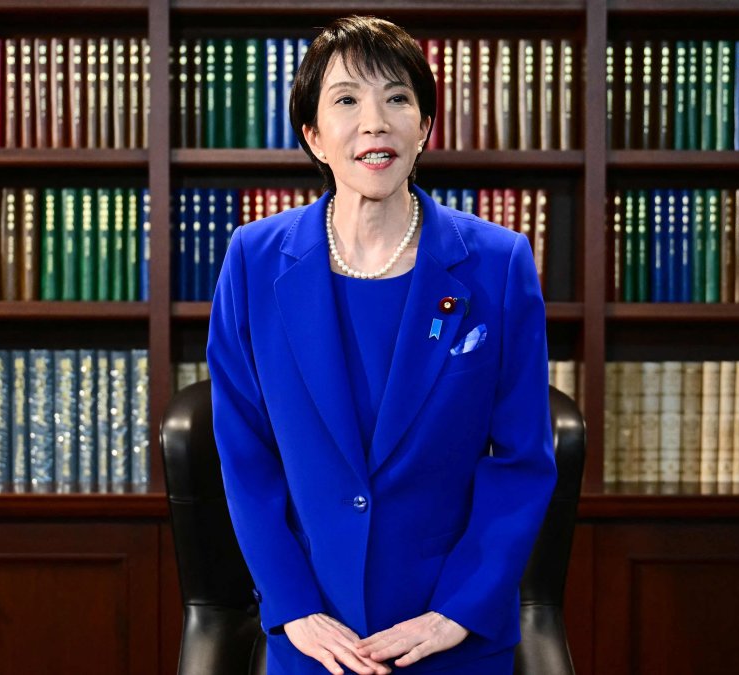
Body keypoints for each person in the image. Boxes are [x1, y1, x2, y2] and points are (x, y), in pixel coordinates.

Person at [207, 15, 557, 675]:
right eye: (346, 100)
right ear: (313, 135)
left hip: (452, 633)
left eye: (397, 98)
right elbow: (245, 456)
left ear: (424, 125)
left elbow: (522, 459)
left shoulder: (497, 264)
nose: (375, 121)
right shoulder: (253, 263)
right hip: (317, 637)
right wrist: (295, 607)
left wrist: (457, 610)